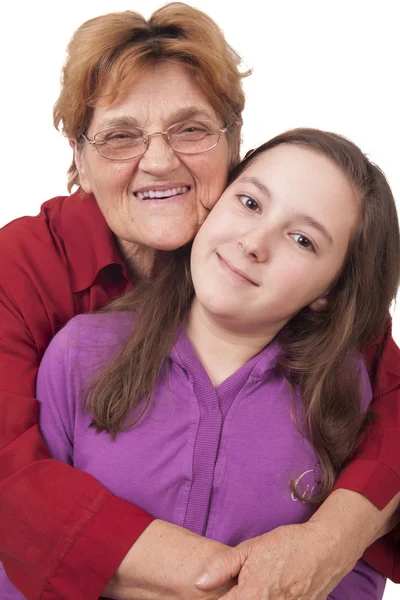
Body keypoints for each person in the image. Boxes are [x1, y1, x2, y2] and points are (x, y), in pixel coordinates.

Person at [0, 4, 399, 600]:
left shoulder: (315, 292)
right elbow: (12, 483)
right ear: (78, 161)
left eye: (190, 130)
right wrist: (243, 585)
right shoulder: (30, 277)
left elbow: (390, 415)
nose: (159, 161)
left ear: (235, 143)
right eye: (119, 137)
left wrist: (325, 546)